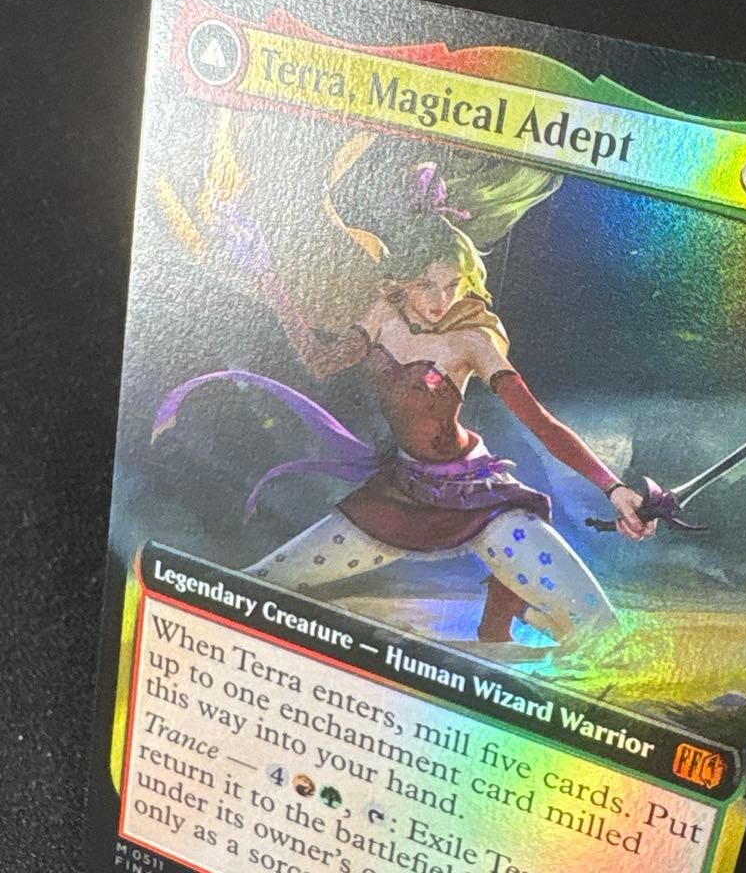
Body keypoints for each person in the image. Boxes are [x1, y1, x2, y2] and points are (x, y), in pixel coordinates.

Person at [154, 164, 654, 645]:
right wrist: (269, 281)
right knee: (249, 587)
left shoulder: (471, 340)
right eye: (426, 285)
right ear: (400, 281)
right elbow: (321, 362)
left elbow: (540, 423)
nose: (441, 299)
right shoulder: (382, 317)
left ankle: (520, 610)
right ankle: (521, 608)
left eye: (452, 285)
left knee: (602, 629)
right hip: (400, 495)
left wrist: (613, 489)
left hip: (479, 498)